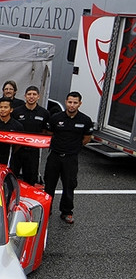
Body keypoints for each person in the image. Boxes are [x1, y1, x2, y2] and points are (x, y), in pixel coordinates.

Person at [43, 92, 94, 224]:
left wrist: (73, 148)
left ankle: (66, 212)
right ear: (66, 102)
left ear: (80, 104)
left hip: (71, 158)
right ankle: (46, 210)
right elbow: (49, 133)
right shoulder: (55, 118)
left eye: (75, 103)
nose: (72, 105)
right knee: (49, 185)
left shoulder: (85, 120)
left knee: (69, 185)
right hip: (54, 156)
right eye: (70, 102)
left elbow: (87, 138)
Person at [12, 86, 51, 184]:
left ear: (38, 97)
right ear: (25, 96)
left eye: (34, 94)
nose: (31, 97)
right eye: (29, 94)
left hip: (33, 151)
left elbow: (45, 131)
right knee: (12, 177)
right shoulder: (16, 112)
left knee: (30, 179)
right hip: (17, 150)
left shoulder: (44, 113)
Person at [0, 98, 24, 164]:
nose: (2, 109)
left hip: (8, 158)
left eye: (5, 107)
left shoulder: (17, 126)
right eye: (1, 107)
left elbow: (20, 144)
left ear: (11, 110)